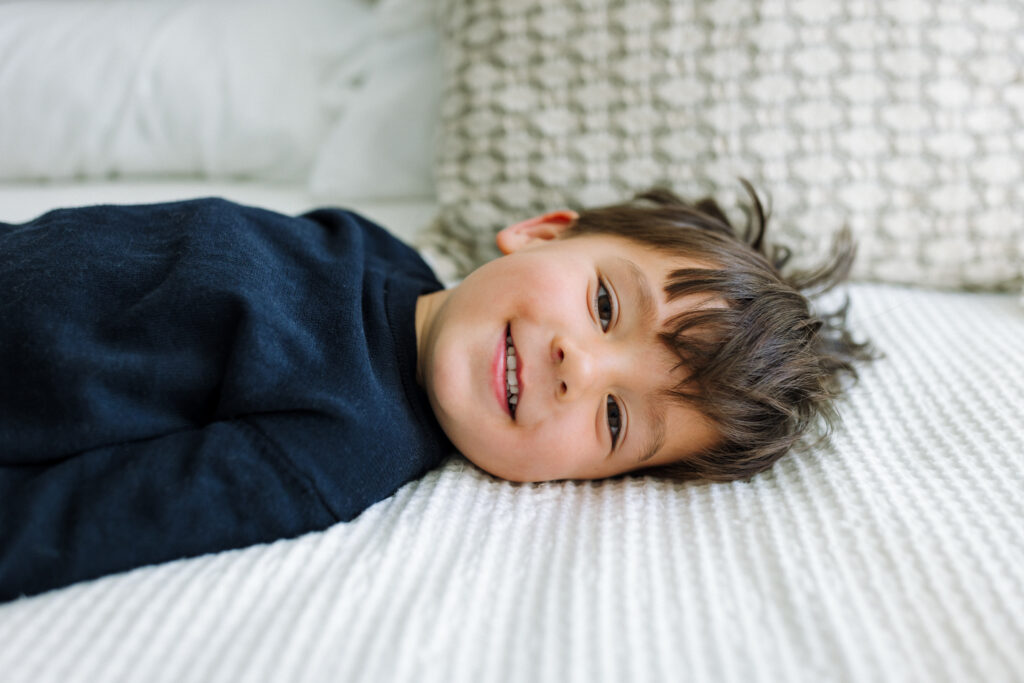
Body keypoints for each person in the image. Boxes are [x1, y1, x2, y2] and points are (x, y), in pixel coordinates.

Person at [0, 183, 869, 601]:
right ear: (539, 232)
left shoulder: (342, 443)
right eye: (605, 304)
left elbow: (93, 515)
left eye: (614, 418)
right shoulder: (370, 244)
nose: (580, 366)